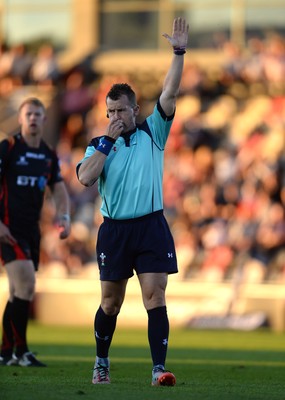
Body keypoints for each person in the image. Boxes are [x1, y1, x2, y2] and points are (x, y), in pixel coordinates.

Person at [76, 17, 189, 386]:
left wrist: (178, 53)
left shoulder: (152, 132)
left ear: (135, 110)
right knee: (111, 303)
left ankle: (159, 369)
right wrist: (106, 143)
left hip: (151, 226)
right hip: (116, 230)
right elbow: (85, 177)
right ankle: (101, 361)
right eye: (110, 111)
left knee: (155, 295)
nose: (115, 117)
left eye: (121, 110)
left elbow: (169, 95)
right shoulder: (98, 145)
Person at [0, 97, 71, 367]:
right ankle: (21, 352)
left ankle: (6, 353)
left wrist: (63, 215)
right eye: (28, 113)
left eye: (37, 114)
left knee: (16, 291)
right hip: (7, 228)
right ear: (20, 118)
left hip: (31, 230)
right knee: (27, 285)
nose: (32, 118)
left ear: (44, 119)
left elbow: (59, 188)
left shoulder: (47, 153)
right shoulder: (8, 148)